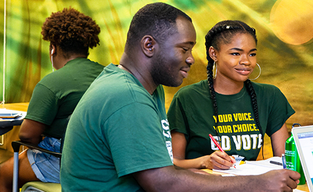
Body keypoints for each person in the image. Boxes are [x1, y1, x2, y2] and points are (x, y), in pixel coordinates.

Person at [60, 3, 300, 191]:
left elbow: (164, 170)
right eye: (184, 48)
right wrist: (256, 185)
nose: (191, 58)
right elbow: (163, 183)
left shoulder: (144, 88)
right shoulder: (128, 97)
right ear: (149, 45)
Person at [0, 7, 103, 192]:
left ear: (53, 48)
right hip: (102, 162)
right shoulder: (108, 74)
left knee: (4, 173)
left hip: (65, 161)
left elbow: (28, 135)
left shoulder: (51, 83)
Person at [167, 20, 294, 170]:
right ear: (214, 54)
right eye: (236, 53)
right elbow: (172, 163)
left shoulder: (270, 96)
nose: (246, 61)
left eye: (252, 54)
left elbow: (286, 162)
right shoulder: (187, 98)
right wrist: (205, 161)